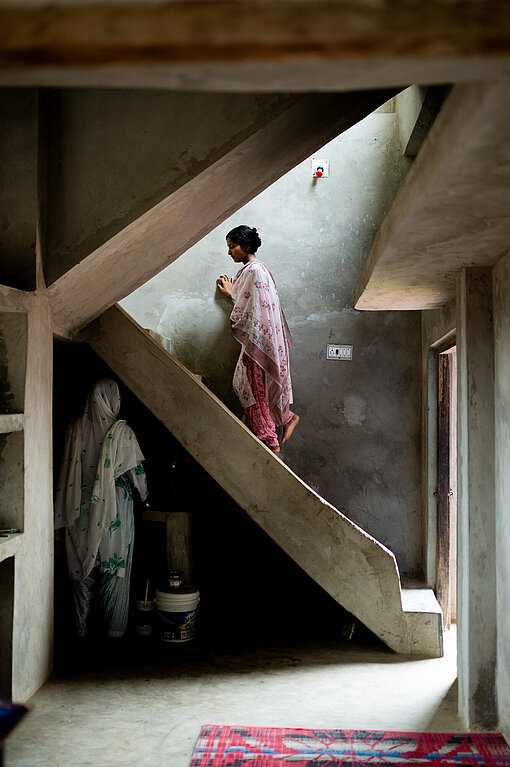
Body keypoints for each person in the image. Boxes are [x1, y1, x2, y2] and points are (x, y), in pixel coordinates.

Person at [54, 378, 148, 639]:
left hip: (79, 505)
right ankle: (113, 634)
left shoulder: (74, 428)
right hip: (115, 507)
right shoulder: (123, 432)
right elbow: (137, 475)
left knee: (80, 568)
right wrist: (144, 494)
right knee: (114, 567)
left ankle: (79, 632)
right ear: (114, 400)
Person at [217, 225, 299, 453]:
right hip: (264, 340)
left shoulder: (253, 271)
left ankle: (269, 441)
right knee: (255, 387)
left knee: (255, 390)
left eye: (232, 247)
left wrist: (232, 293)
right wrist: (233, 293)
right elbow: (254, 304)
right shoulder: (259, 270)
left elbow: (249, 308)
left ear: (246, 246)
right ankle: (286, 419)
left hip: (259, 341)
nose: (229, 252)